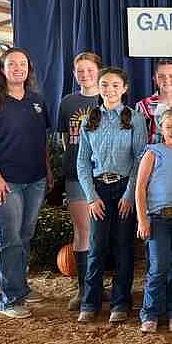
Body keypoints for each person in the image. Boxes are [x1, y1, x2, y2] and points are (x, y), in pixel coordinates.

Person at [0, 47, 53, 319]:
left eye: (23, 64)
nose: (18, 68)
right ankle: (8, 299)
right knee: (8, 236)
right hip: (3, 183)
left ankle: (20, 287)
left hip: (34, 180)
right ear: (2, 69)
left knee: (24, 235)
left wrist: (48, 170)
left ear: (29, 69)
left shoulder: (37, 101)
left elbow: (42, 140)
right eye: (12, 64)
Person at [76, 67, 148, 324]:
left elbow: (141, 156)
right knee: (96, 246)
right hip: (98, 189)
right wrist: (91, 196)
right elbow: (82, 161)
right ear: (98, 87)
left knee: (123, 247)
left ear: (124, 88)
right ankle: (90, 302)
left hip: (124, 187)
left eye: (115, 85)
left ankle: (120, 302)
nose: (110, 90)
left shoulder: (135, 118)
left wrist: (130, 195)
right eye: (104, 85)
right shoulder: (90, 119)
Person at [135, 108, 172, 333]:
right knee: (158, 265)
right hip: (158, 216)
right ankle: (150, 312)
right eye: (169, 127)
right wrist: (142, 219)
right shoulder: (153, 152)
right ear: (161, 128)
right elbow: (140, 187)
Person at [57, 51, 102, 311]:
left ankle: (99, 287)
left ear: (98, 71)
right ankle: (84, 289)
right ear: (75, 74)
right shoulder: (68, 102)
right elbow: (66, 139)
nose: (85, 75)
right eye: (80, 71)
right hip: (76, 174)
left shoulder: (107, 96)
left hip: (104, 174)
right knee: (82, 230)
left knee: (102, 233)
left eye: (89, 69)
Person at [136, 59, 172, 143]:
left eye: (171, 76)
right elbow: (139, 139)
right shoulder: (144, 105)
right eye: (161, 76)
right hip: (155, 153)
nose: (166, 80)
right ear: (155, 79)